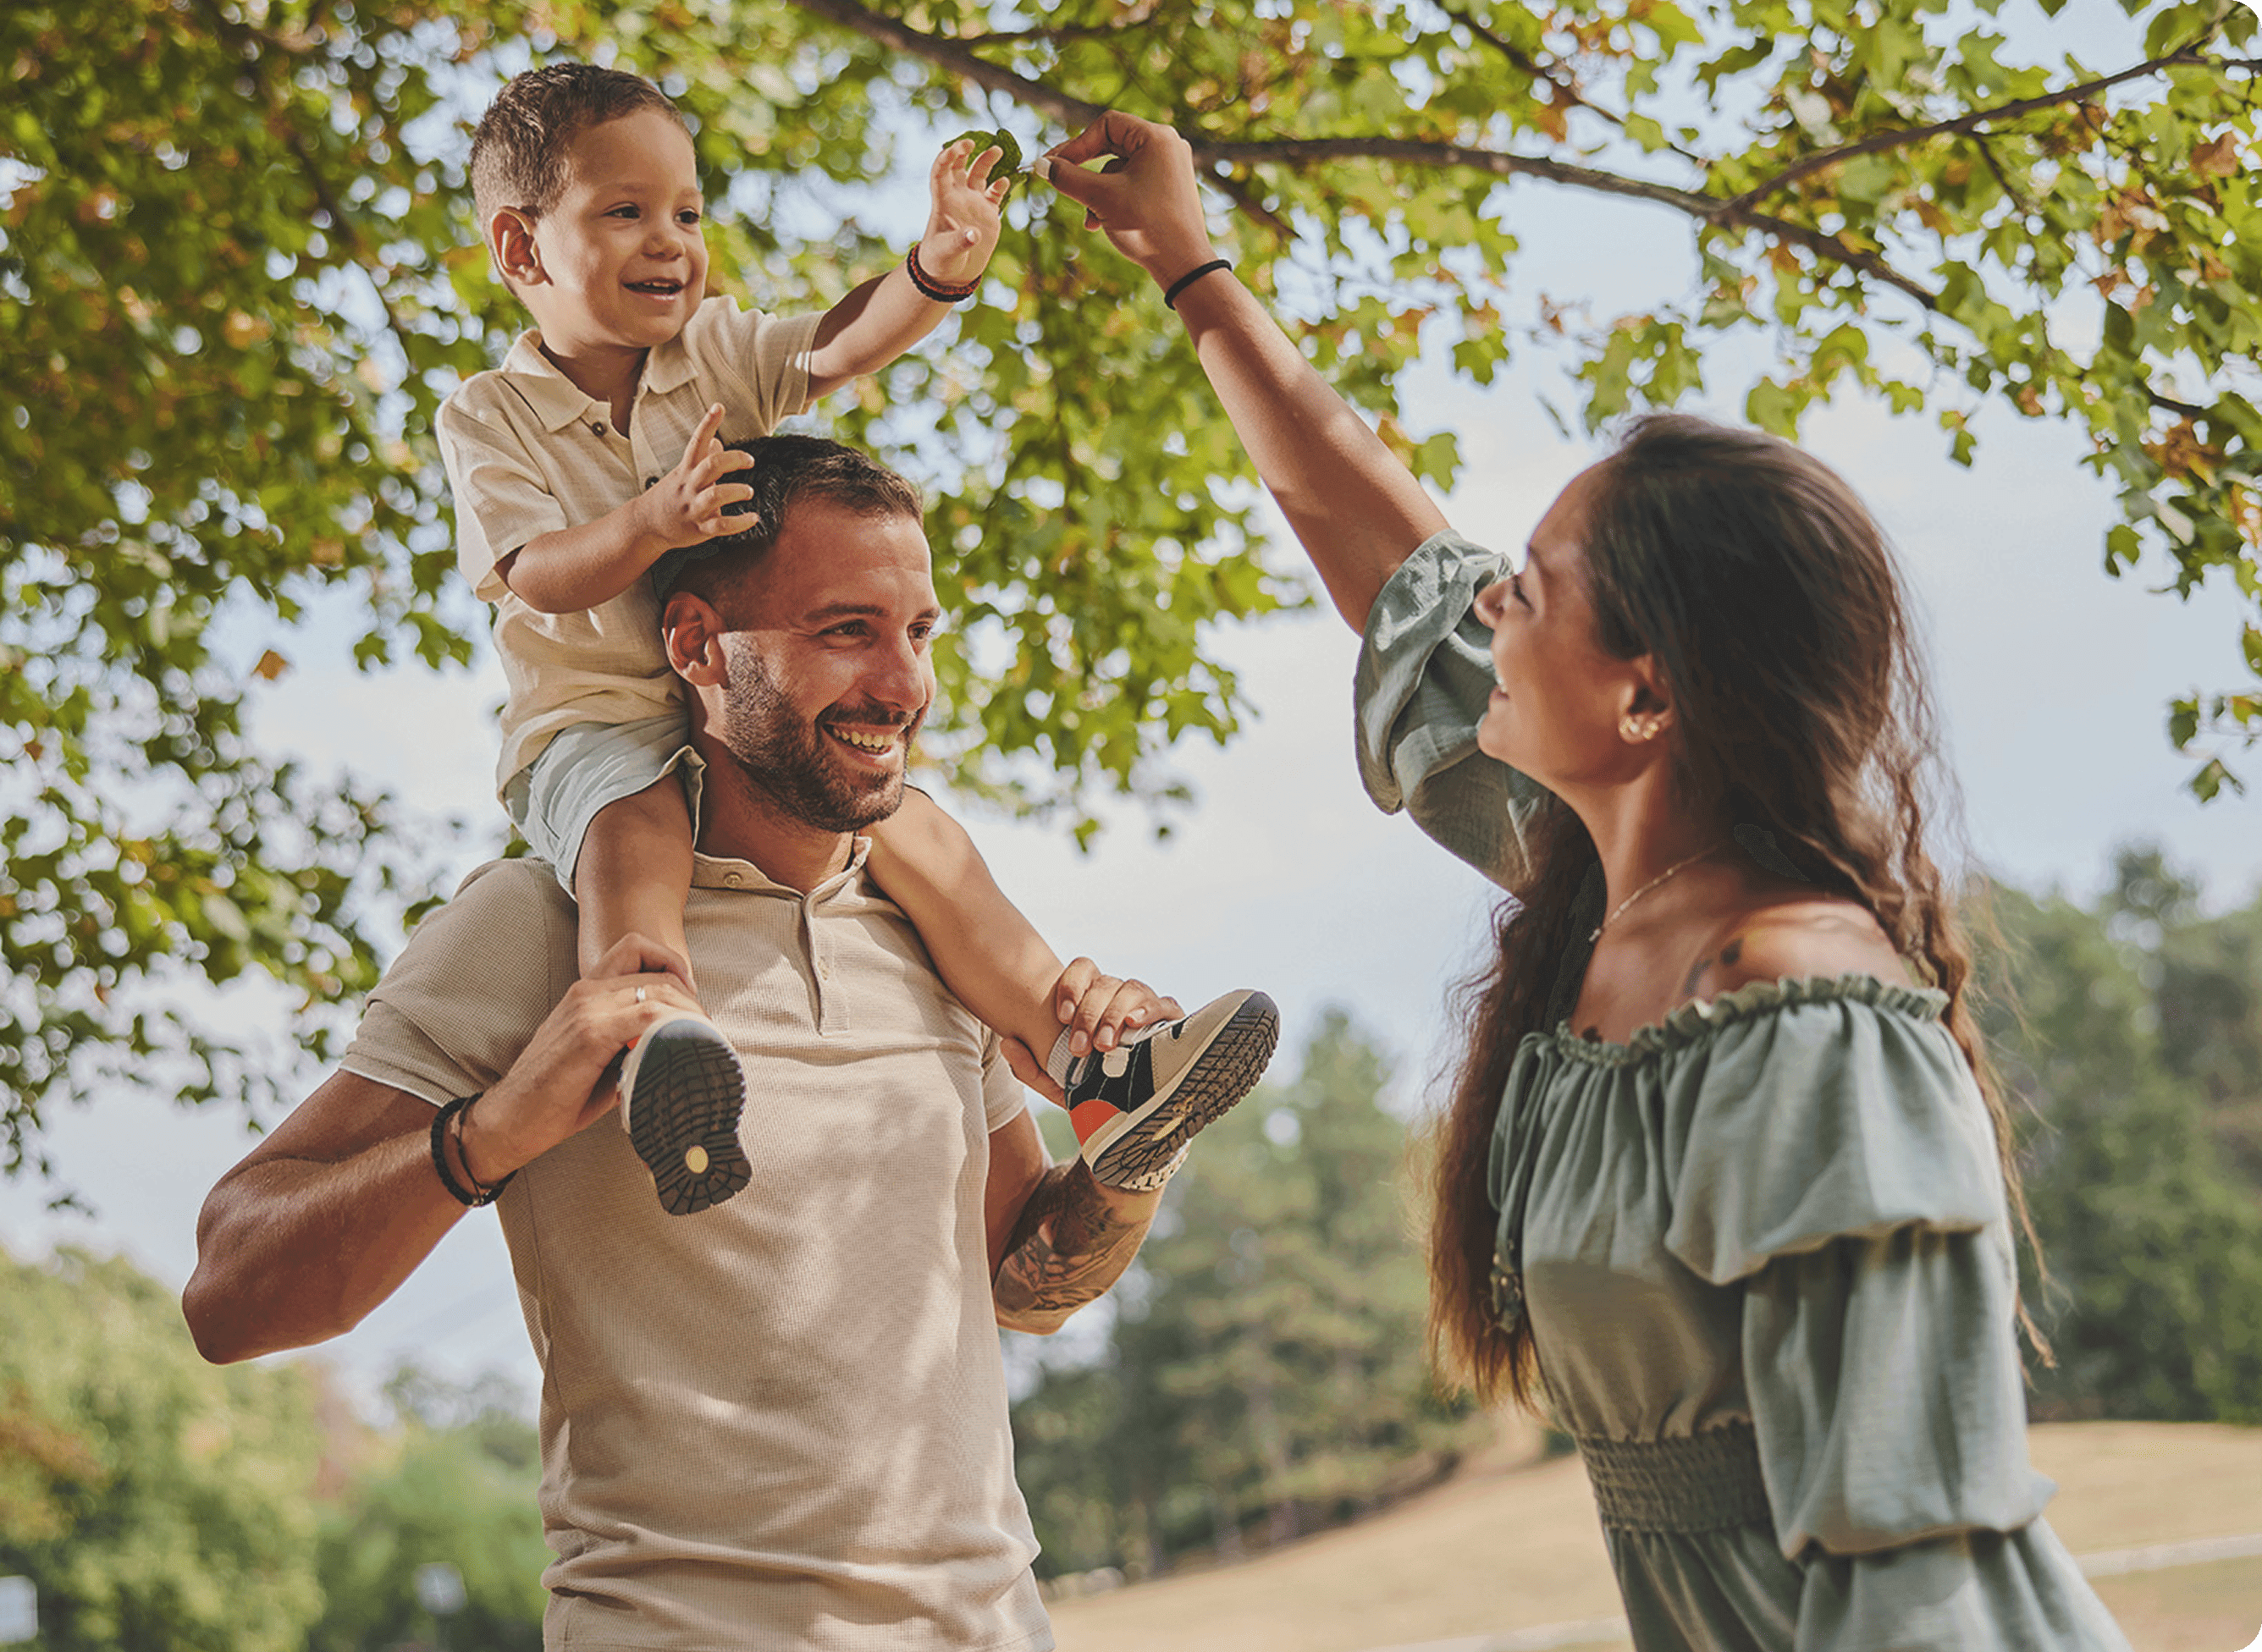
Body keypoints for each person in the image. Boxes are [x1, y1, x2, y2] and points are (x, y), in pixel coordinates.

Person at [1035, 113, 2135, 1649]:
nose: (1484, 600)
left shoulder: (1801, 1016)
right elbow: (1383, 553)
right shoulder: (1594, 880)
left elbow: (1913, 1572)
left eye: (1530, 590)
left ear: (1647, 701)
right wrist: (1191, 269)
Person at [182, 436, 1253, 1649]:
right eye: (846, 629)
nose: (903, 684)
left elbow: (1023, 1285)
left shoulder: (929, 932)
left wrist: (1129, 1159)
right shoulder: (543, 926)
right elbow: (228, 1295)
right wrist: (489, 1136)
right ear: (698, 647)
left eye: (922, 631)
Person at [440, 63, 1272, 1214]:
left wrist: (933, 270)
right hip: (596, 726)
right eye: (624, 212)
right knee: (631, 827)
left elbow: (834, 350)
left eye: (686, 212)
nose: (669, 241)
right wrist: (649, 523)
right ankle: (653, 1046)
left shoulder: (712, 356)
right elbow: (531, 572)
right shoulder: (493, 413)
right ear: (523, 250)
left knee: (919, 832)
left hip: (726, 711)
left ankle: (1094, 1065)